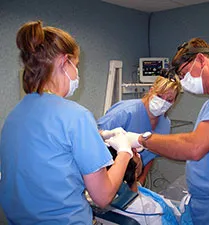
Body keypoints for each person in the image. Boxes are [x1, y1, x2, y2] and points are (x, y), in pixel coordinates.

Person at [104, 37, 209, 225]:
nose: (183, 82)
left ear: (200, 60)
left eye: (183, 74)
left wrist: (141, 139)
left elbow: (194, 147)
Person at [0, 20, 133, 225]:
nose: (77, 73)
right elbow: (103, 196)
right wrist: (124, 152)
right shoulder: (76, 116)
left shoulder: (14, 116)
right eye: (76, 66)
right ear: (64, 62)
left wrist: (96, 136)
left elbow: (47, 154)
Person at [97, 75, 182, 185]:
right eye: (160, 96)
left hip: (134, 179)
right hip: (108, 175)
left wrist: (141, 180)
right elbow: (94, 139)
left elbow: (152, 155)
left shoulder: (165, 124)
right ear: (151, 91)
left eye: (169, 100)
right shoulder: (124, 112)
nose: (163, 102)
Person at [102, 146, 180, 225]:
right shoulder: (151, 211)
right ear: (134, 171)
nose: (138, 153)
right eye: (135, 153)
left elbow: (138, 181)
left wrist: (150, 156)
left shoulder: (104, 196)